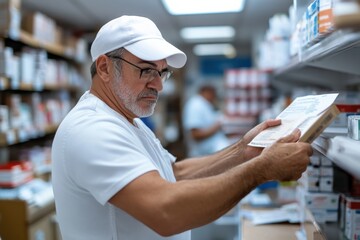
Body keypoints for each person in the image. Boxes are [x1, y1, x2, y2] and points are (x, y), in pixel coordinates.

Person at [51, 15, 313, 240]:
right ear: (105, 68)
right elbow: (166, 209)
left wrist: (244, 150)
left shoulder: (129, 121)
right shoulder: (91, 129)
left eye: (162, 72)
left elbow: (173, 173)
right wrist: (259, 170)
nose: (159, 85)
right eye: (146, 70)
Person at [183, 84, 230, 157]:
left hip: (212, 153)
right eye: (213, 94)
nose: (214, 97)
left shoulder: (205, 104)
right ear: (206, 92)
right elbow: (195, 134)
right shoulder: (195, 104)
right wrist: (218, 125)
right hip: (203, 156)